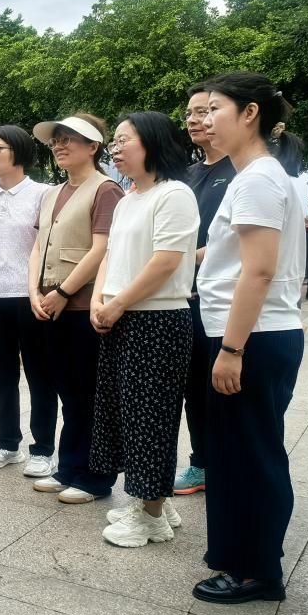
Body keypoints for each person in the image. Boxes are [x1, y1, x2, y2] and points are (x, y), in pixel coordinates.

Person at [192, 71, 306, 605]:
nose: (205, 119)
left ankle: (257, 572)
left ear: (250, 114)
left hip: (252, 338)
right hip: (253, 334)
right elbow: (235, 256)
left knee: (251, 455)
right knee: (240, 451)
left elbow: (257, 272)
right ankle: (243, 559)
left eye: (214, 108)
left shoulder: (258, 179)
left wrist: (232, 350)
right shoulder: (257, 176)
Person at [90, 112, 199, 547]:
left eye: (123, 141)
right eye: (113, 142)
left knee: (150, 419)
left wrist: (117, 303)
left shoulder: (174, 195)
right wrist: (99, 300)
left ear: (153, 143)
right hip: (121, 316)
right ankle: (154, 501)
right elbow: (110, 255)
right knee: (126, 416)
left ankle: (150, 516)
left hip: (156, 319)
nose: (115, 149)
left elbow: (166, 262)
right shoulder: (129, 198)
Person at [28, 113, 124, 503]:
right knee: (67, 390)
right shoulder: (52, 193)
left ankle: (95, 477)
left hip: (83, 308)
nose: (59, 146)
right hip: (50, 306)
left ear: (93, 146)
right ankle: (69, 467)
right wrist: (34, 291)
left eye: (69, 139)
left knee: (89, 394)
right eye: (56, 140)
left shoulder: (106, 190)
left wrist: (64, 291)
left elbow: (103, 248)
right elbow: (39, 246)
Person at [0, 125, 56, 477]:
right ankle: (6, 444)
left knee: (40, 375)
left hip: (31, 298)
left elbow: (45, 247)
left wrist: (41, 292)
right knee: (1, 375)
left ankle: (43, 449)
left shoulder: (43, 194)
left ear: (18, 151)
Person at [174, 84, 236, 496]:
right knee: (193, 386)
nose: (195, 120)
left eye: (204, 111)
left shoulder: (242, 171)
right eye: (190, 113)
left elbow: (242, 238)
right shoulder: (189, 173)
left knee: (225, 387)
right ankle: (201, 463)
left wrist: (188, 257)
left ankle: (229, 465)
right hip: (185, 295)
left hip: (225, 298)